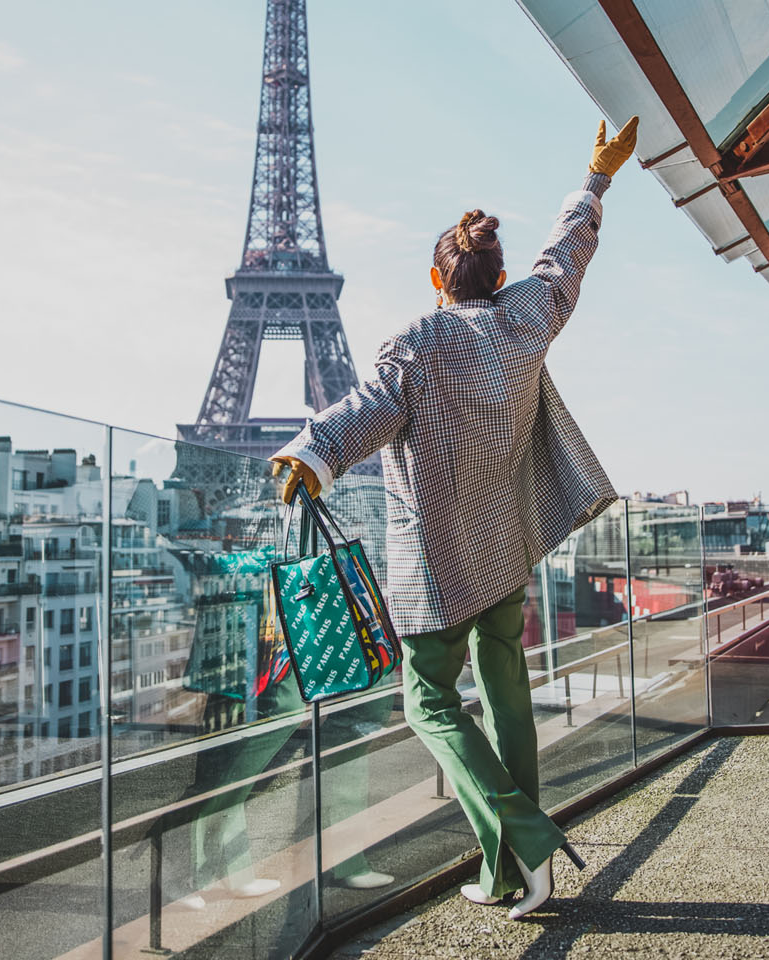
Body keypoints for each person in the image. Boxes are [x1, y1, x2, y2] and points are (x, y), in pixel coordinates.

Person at [269, 115, 637, 919]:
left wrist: (312, 452)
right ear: (496, 277)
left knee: (427, 701)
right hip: (505, 553)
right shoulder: (525, 319)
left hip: (436, 564)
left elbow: (367, 409)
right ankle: (510, 874)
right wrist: (597, 177)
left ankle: (524, 842)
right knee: (506, 696)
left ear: (440, 281)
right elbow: (566, 257)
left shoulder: (418, 341)